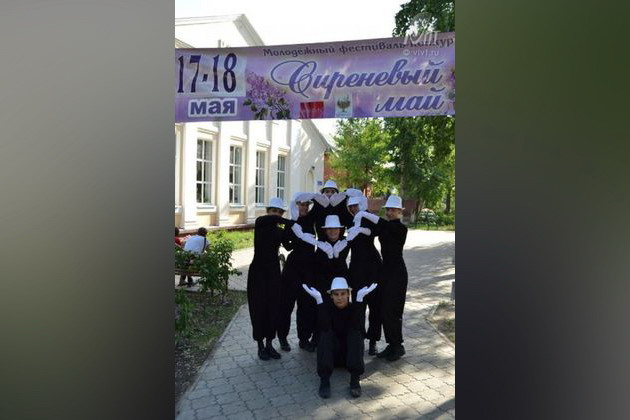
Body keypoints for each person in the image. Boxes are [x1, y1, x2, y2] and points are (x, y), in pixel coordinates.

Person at [303, 277, 377, 399]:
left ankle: (355, 379)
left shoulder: (353, 308)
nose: (339, 297)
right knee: (325, 333)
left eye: (343, 294)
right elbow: (323, 325)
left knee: (356, 333)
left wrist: (359, 300)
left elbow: (358, 326)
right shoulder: (327, 308)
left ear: (348, 294)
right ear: (331, 296)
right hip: (332, 357)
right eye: (336, 294)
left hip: (349, 357)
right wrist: (319, 301)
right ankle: (325, 380)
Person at [354, 195, 408, 361]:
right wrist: (358, 225)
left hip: (397, 273)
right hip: (385, 271)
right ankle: (392, 344)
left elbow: (382, 225)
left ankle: (398, 346)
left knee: (393, 310)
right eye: (388, 210)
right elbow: (373, 230)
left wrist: (366, 213)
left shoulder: (401, 228)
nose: (390, 212)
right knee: (384, 310)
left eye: (393, 210)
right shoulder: (385, 226)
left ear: (400, 212)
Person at [247, 197, 295, 361]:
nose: (277, 214)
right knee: (258, 307)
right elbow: (271, 220)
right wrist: (288, 221)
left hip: (273, 271)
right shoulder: (260, 223)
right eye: (274, 211)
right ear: (267, 211)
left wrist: (295, 232)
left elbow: (288, 245)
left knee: (273, 308)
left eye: (280, 212)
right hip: (257, 272)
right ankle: (260, 346)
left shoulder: (279, 231)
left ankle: (269, 343)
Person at [341, 192, 384, 356]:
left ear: (361, 204)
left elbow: (379, 229)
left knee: (375, 306)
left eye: (355, 206)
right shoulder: (349, 221)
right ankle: (358, 338)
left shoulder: (368, 218)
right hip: (357, 269)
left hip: (373, 267)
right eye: (350, 206)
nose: (353, 209)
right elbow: (346, 244)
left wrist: (364, 227)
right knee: (359, 306)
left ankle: (373, 341)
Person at [276, 192, 318, 352]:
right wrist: (299, 239)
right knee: (286, 304)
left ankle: (304, 338)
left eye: (307, 205)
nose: (305, 207)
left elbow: (320, 203)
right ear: (296, 205)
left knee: (306, 304)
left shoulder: (311, 219)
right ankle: (282, 338)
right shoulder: (292, 222)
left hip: (309, 268)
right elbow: (287, 245)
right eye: (302, 204)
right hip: (293, 268)